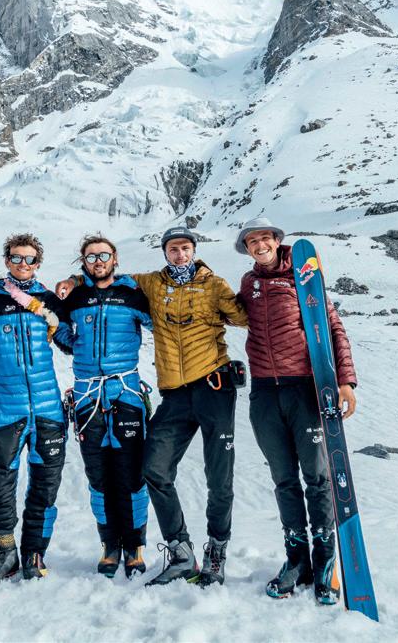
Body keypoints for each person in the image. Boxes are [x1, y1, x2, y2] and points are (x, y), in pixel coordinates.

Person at [57, 226, 248, 587]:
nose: (180, 254)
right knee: (153, 469)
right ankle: (181, 552)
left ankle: (217, 551)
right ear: (165, 252)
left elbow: (245, 316)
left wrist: (270, 288)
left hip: (213, 386)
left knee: (219, 477)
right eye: (173, 248)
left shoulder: (213, 284)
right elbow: (105, 281)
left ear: (194, 250)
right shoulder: (149, 285)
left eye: (185, 247)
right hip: (174, 392)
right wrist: (73, 280)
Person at [233, 217, 358, 606]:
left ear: (276, 240)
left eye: (264, 238)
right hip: (265, 393)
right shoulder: (248, 284)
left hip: (304, 389)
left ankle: (324, 562)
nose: (259, 245)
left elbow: (333, 328)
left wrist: (345, 381)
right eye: (251, 241)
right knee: (283, 479)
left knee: (317, 478)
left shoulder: (304, 278)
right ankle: (296, 559)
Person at [52, 234, 154, 579]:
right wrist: (70, 339)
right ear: (83, 262)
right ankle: (110, 545)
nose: (98, 261)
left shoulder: (132, 294)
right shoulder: (76, 296)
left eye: (104, 255)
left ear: (115, 258)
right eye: (91, 256)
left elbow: (158, 323)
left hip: (125, 393)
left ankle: (134, 546)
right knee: (98, 476)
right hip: (87, 397)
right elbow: (61, 330)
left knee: (132, 474)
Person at [0, 234, 69, 584]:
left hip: (48, 412)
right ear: (7, 260)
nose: (23, 264)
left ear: (38, 263)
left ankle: (33, 553)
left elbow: (72, 342)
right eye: (16, 258)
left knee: (45, 488)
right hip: (6, 412)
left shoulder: (47, 301)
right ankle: (5, 552)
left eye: (29, 259)